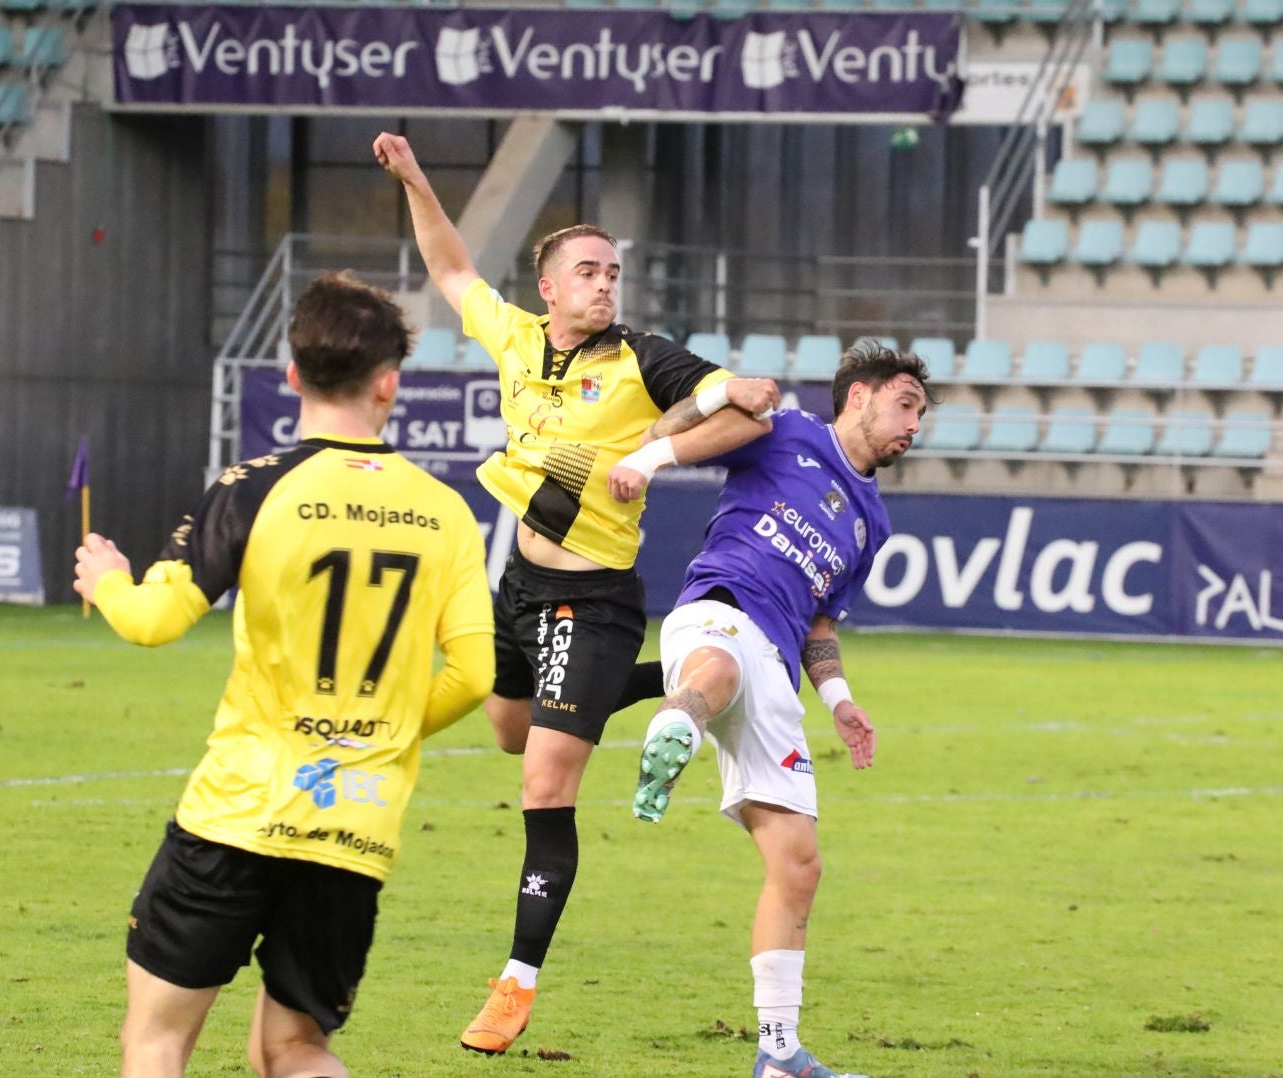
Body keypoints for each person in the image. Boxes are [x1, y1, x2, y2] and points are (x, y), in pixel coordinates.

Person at [370, 131, 783, 1055]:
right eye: (587, 271)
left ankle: (515, 986)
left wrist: (655, 450)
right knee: (511, 729)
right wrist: (417, 182)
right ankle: (676, 680)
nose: (604, 284)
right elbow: (449, 266)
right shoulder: (518, 337)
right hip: (515, 587)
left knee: (543, 785)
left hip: (590, 600)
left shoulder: (642, 357)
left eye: (612, 272)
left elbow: (748, 404)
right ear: (549, 287)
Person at [72, 272, 495, 1078]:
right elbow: (474, 675)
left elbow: (155, 623)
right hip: (355, 826)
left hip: (239, 810)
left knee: (158, 1039)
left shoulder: (253, 488)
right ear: (389, 383)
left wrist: (108, 580)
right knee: (296, 1049)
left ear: (293, 376)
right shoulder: (443, 510)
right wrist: (379, 732)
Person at [611, 339, 931, 1078]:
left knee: (799, 864)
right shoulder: (784, 431)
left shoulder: (871, 524)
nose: (914, 426)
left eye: (920, 414)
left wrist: (841, 699)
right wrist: (716, 402)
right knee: (714, 668)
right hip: (717, 608)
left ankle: (778, 1055)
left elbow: (822, 621)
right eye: (905, 405)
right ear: (860, 396)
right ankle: (676, 724)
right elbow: (666, 435)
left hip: (780, 666)